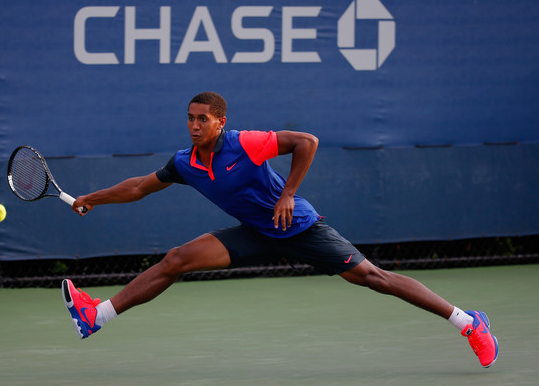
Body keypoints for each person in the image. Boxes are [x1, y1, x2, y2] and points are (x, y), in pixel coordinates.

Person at [62, 91, 498, 368]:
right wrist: (91, 198)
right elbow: (139, 187)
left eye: (202, 119)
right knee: (176, 260)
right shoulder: (185, 162)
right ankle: (96, 315)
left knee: (373, 278)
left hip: (296, 227)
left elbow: (306, 142)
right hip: (254, 231)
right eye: (190, 118)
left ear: (219, 122)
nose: (194, 125)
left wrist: (289, 192)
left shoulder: (244, 143)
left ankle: (468, 322)